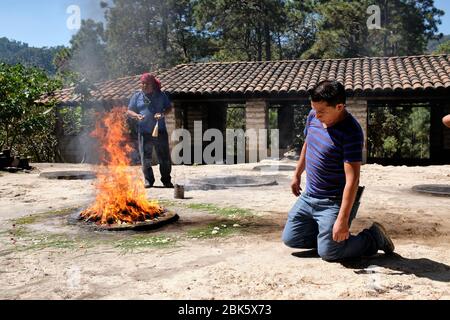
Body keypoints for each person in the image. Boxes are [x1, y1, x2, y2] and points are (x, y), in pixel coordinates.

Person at [282, 80, 395, 262]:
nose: (316, 115)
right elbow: (308, 144)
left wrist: (342, 220)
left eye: (321, 112)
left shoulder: (351, 132)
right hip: (309, 196)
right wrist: (297, 174)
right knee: (291, 238)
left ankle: (374, 237)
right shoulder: (313, 116)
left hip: (333, 201)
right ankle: (328, 239)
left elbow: (353, 180)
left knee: (330, 253)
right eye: (314, 109)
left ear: (340, 106)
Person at [127, 73, 174, 188]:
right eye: (142, 83)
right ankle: (149, 181)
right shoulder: (137, 96)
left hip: (160, 131)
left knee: (164, 158)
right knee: (145, 158)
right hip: (144, 132)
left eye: (146, 84)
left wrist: (162, 114)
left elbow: (169, 108)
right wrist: (137, 116)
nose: (144, 86)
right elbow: (129, 111)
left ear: (153, 85)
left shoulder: (161, 95)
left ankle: (166, 180)